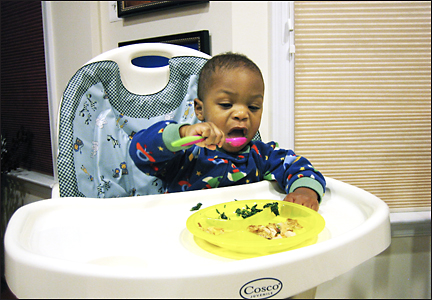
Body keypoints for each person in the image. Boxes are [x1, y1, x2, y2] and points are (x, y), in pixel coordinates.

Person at [129, 52, 325, 211]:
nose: (241, 113)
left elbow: (299, 167)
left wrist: (305, 191)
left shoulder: (262, 156)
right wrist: (182, 134)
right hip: (185, 237)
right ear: (200, 109)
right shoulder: (187, 152)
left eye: (254, 107)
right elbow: (140, 150)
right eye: (226, 104)